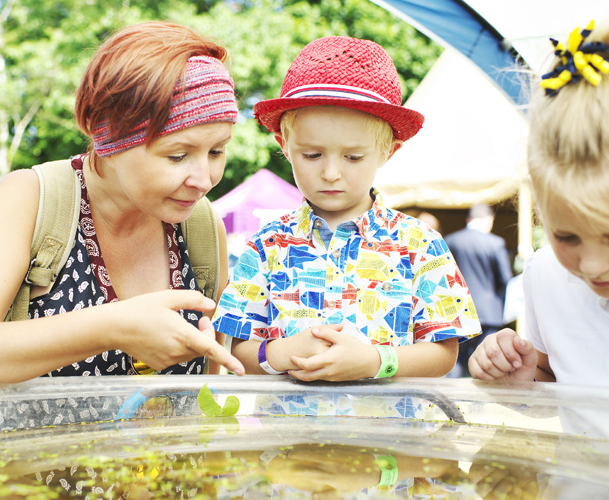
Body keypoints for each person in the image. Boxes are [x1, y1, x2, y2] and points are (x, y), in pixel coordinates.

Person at [0, 21, 245, 382]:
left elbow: (209, 384)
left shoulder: (200, 228)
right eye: (177, 156)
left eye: (217, 151)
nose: (203, 180)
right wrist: (113, 327)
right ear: (112, 141)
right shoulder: (31, 200)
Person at [212, 36, 481, 381]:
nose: (331, 173)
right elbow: (235, 348)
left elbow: (443, 353)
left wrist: (376, 361)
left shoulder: (419, 244)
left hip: (388, 433)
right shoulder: (267, 244)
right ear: (285, 146)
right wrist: (279, 352)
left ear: (388, 152)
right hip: (290, 432)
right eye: (312, 155)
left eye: (353, 157)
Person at [468, 20, 609, 388]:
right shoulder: (545, 275)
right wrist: (524, 377)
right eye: (566, 236)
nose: (592, 265)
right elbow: (559, 376)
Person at [444, 203, 512, 377]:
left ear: (468, 219)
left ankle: (451, 400)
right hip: (488, 312)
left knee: (455, 359)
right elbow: (505, 278)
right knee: (485, 362)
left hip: (457, 309)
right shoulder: (495, 243)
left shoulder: (451, 240)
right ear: (489, 220)